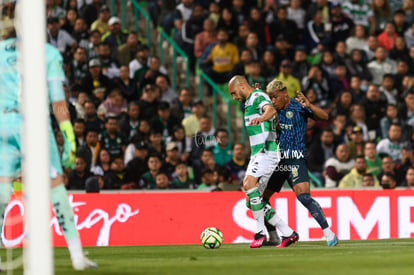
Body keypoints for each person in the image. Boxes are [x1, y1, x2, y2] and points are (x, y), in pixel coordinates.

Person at [0, 25, 96, 269]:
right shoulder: (48, 53)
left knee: (1, 191)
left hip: (3, 124)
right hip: (33, 126)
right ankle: (76, 256)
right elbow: (58, 100)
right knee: (55, 189)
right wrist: (68, 134)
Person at [265, 79, 338, 247]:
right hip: (279, 159)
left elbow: (325, 116)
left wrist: (310, 106)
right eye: (270, 98)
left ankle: (329, 233)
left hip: (296, 157)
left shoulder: (299, 106)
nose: (273, 101)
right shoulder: (272, 110)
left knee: (304, 197)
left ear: (284, 93)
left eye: (275, 97)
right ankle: (274, 235)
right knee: (261, 199)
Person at [228, 75, 295, 248]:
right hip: (258, 153)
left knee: (249, 184)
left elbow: (270, 110)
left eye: (234, 93)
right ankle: (288, 232)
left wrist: (262, 118)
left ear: (242, 86)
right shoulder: (251, 99)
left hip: (267, 151)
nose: (234, 98)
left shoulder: (258, 96)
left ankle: (259, 232)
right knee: (252, 201)